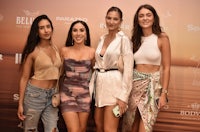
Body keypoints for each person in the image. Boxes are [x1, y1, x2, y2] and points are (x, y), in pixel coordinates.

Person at [122, 4, 171, 132]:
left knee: (146, 127)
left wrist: (164, 94)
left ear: (154, 18)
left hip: (152, 87)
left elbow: (166, 68)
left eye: (148, 15)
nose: (145, 18)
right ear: (137, 19)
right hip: (134, 85)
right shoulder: (135, 40)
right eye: (141, 16)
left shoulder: (162, 38)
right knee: (130, 124)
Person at [89, 6, 133, 132]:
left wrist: (123, 97)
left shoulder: (124, 40)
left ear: (120, 22)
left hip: (115, 87)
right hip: (100, 87)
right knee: (99, 126)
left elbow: (128, 70)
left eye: (115, 19)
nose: (111, 21)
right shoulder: (102, 38)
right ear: (105, 19)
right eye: (109, 18)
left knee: (109, 129)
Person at [17, 14, 62, 132]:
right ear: (37, 31)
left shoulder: (55, 48)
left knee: (52, 129)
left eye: (48, 26)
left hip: (52, 97)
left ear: (52, 28)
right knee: (30, 130)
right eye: (41, 28)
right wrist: (20, 104)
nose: (46, 30)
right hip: (34, 96)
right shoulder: (32, 51)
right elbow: (24, 78)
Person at [60, 20, 95, 132]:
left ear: (86, 34)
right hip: (67, 94)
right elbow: (59, 74)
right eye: (75, 30)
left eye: (81, 30)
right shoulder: (64, 51)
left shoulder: (92, 52)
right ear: (71, 33)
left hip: (84, 95)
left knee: (81, 129)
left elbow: (96, 74)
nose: (78, 33)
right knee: (74, 130)